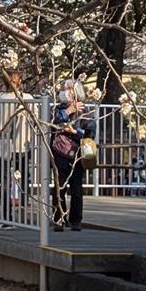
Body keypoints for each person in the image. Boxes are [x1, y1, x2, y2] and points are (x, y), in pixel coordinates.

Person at [50, 82, 95, 231]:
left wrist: (75, 132)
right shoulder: (58, 109)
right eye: (63, 89)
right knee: (59, 187)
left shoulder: (86, 111)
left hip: (77, 153)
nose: (65, 92)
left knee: (76, 189)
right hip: (59, 153)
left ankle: (76, 220)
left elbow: (90, 134)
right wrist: (68, 111)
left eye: (68, 89)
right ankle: (59, 218)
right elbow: (52, 123)